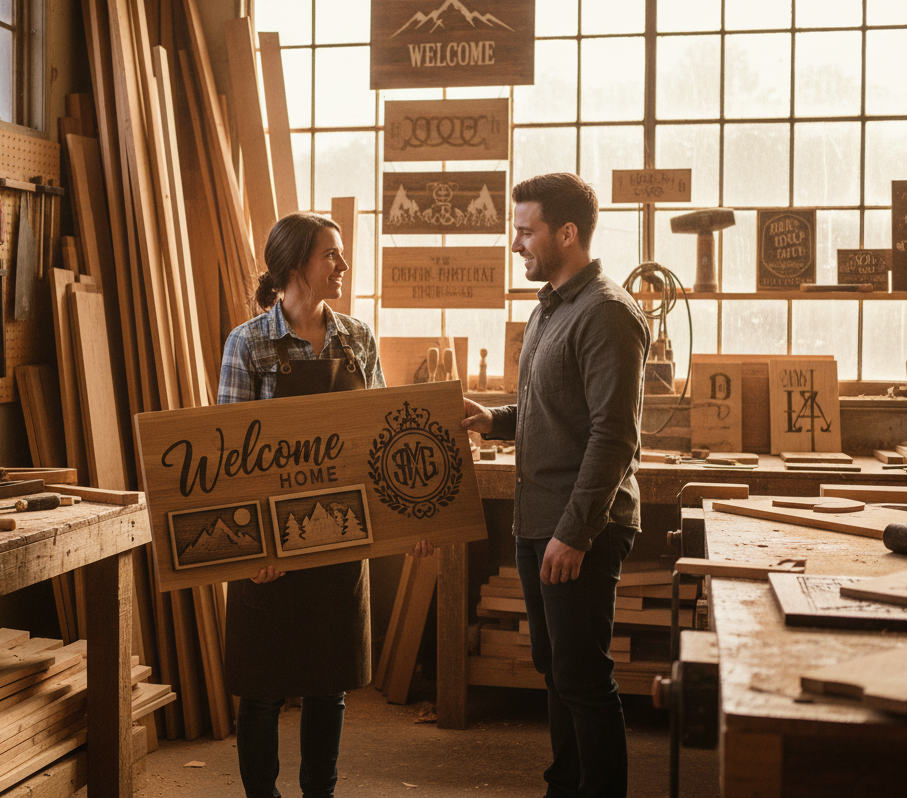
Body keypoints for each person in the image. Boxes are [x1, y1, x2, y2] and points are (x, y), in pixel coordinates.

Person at [217, 211, 432, 798]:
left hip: (339, 533)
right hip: (269, 547)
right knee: (260, 688)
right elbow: (231, 460)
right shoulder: (249, 343)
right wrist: (255, 547)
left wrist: (413, 517)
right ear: (294, 267)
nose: (342, 265)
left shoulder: (356, 338)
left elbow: (384, 439)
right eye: (329, 255)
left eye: (340, 254)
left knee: (327, 685)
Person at [461, 173, 649, 798]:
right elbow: (551, 408)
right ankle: (564, 787)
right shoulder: (551, 307)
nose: (516, 244)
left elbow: (613, 437)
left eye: (525, 230)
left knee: (584, 679)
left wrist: (572, 534)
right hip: (537, 521)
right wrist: (496, 420)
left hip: (578, 529)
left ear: (567, 233)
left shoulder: (607, 315)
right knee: (556, 671)